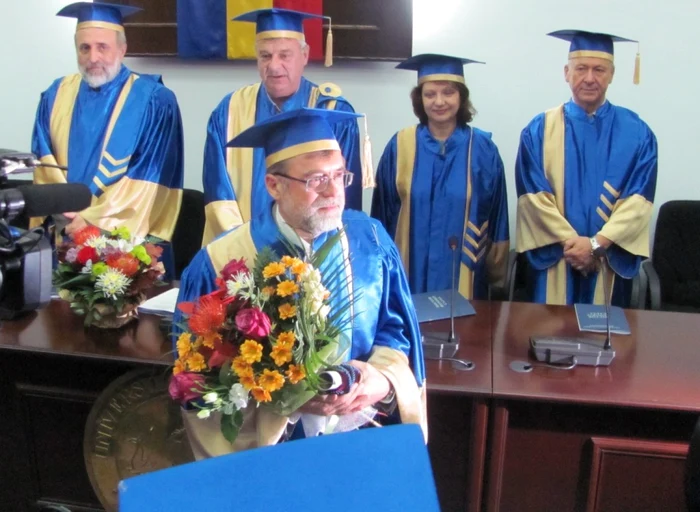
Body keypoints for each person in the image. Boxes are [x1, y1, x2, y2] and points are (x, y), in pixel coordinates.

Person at [176, 108, 426, 457]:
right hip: (272, 458)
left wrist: (381, 382)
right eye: (315, 180)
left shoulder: (371, 242)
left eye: (340, 176)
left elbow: (396, 333)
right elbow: (196, 382)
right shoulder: (220, 262)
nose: (333, 192)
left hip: (361, 441)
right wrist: (286, 399)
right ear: (273, 185)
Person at [201, 8, 367, 246]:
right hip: (242, 257)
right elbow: (218, 195)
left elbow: (343, 198)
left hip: (315, 260)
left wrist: (308, 261)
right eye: (265, 56)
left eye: (284, 55)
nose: (274, 66)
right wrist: (245, 252)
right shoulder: (228, 111)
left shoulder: (332, 112)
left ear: (305, 55)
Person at [515, 30, 657, 307]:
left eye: (599, 70)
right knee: (548, 340)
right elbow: (533, 200)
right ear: (567, 72)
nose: (590, 78)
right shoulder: (538, 130)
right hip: (555, 261)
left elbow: (638, 204)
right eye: (581, 69)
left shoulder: (638, 133)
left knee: (608, 342)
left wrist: (595, 245)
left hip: (608, 260)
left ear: (612, 74)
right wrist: (575, 246)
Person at [30, 2, 184, 247]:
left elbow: (149, 178)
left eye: (103, 47)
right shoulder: (55, 95)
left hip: (124, 244)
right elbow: (43, 162)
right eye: (85, 48)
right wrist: (69, 218)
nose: (93, 58)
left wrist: (92, 221)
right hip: (64, 234)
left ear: (122, 49)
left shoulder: (153, 101)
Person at [371, 54, 509, 299]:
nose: (439, 101)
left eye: (448, 92)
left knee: (464, 333)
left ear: (461, 97)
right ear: (419, 99)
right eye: (430, 94)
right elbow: (382, 214)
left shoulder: (483, 149)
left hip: (466, 275)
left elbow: (498, 218)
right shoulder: (400, 146)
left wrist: (496, 273)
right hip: (407, 273)